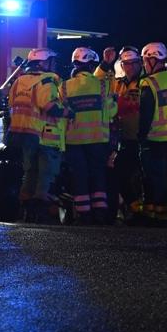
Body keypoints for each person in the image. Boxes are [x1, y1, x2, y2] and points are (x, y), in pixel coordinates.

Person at [8, 48, 66, 223]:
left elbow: (11, 103)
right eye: (51, 62)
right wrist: (69, 112)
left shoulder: (19, 81)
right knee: (46, 174)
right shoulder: (47, 81)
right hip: (42, 134)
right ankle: (41, 211)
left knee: (30, 172)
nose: (53, 65)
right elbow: (49, 106)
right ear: (43, 62)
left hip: (22, 133)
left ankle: (26, 210)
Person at [62, 47, 117, 224]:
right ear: (91, 64)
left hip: (73, 140)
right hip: (98, 139)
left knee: (79, 176)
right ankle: (100, 214)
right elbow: (112, 111)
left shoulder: (64, 86)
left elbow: (61, 115)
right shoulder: (102, 85)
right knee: (97, 175)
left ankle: (83, 215)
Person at [137, 42, 167, 226]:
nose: (143, 64)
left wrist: (140, 136)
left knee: (152, 177)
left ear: (152, 59)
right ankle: (161, 214)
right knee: (164, 177)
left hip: (154, 137)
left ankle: (152, 216)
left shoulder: (149, 83)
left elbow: (146, 115)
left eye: (144, 60)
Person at [99, 46, 144, 223]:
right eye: (126, 64)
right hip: (121, 138)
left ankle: (141, 211)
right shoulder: (117, 83)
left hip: (140, 137)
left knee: (139, 178)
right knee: (119, 175)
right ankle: (134, 209)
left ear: (139, 64)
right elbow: (97, 82)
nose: (129, 68)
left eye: (133, 64)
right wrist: (105, 63)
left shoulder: (145, 82)